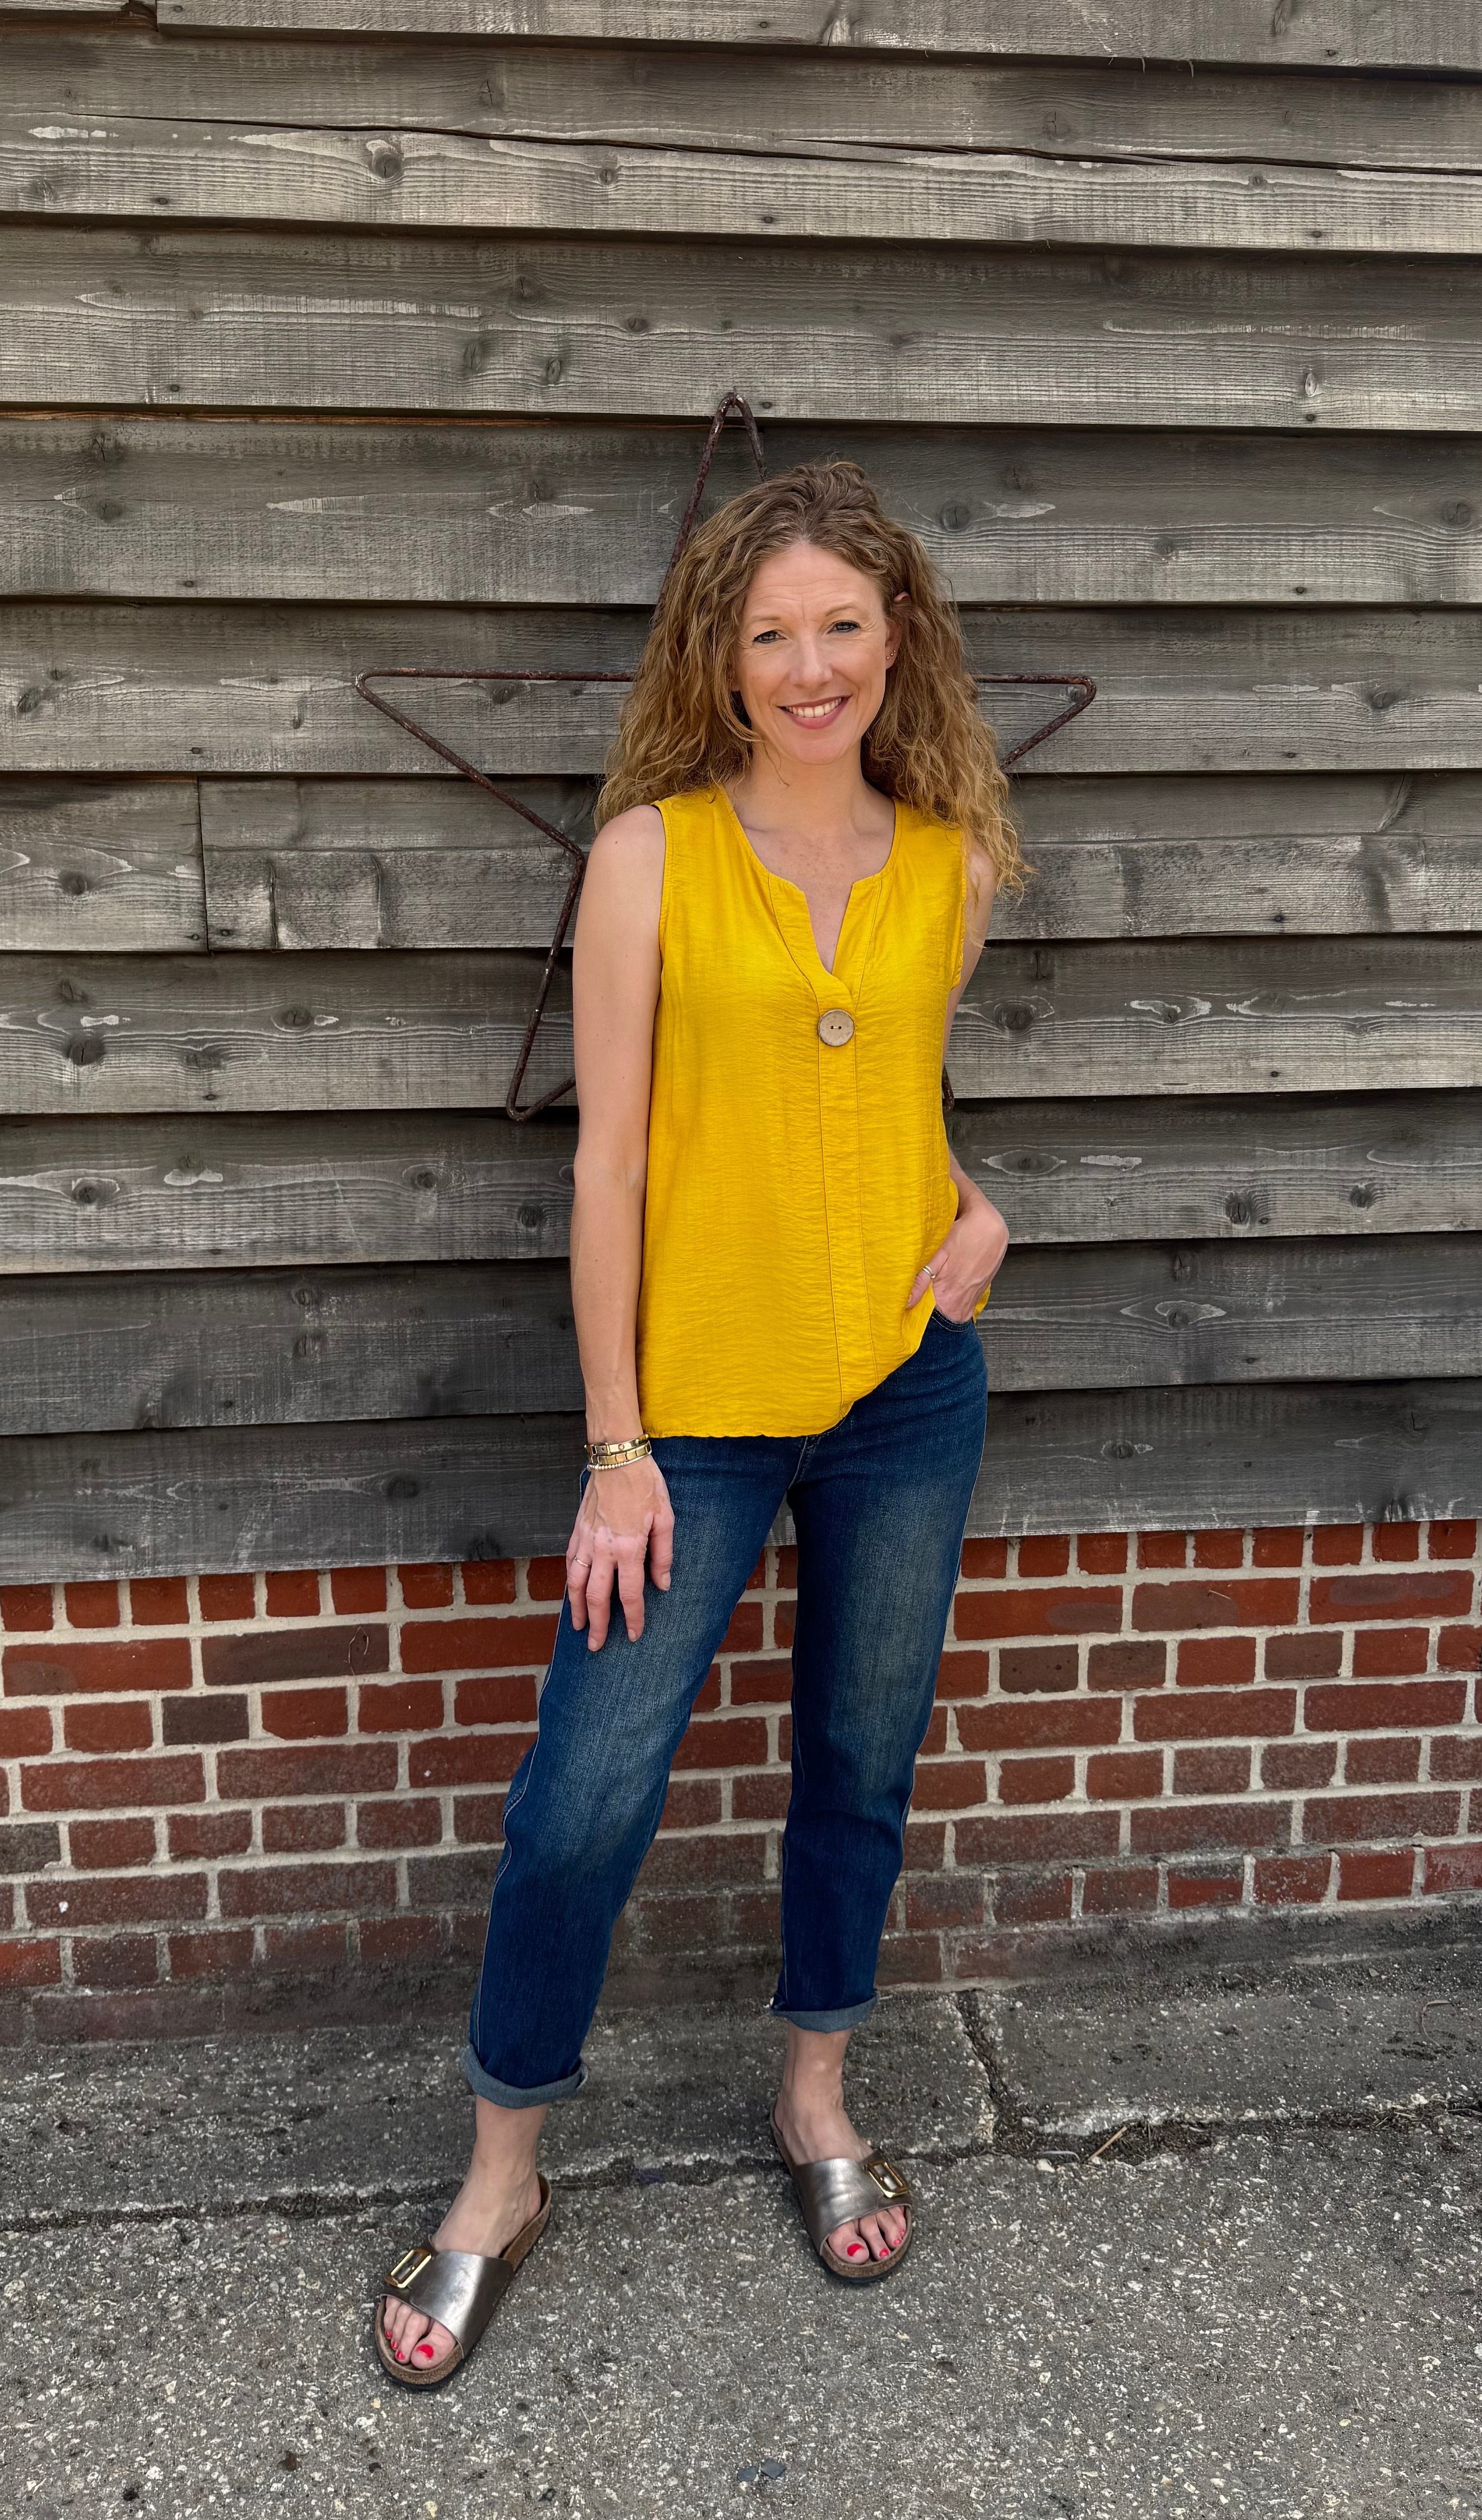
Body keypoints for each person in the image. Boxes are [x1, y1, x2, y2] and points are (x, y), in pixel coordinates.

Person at [374, 459, 1023, 2387]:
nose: (808, 665)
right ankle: (501, 2173)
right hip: (698, 1423)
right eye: (768, 634)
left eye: (839, 623)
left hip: (908, 1386)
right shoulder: (652, 853)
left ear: (894, 633)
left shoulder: (952, 851)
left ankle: (814, 2091)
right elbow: (613, 1169)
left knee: (859, 1756)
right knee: (579, 1800)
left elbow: (885, 1094)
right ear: (717, 660)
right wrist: (615, 1437)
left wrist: (975, 1209)